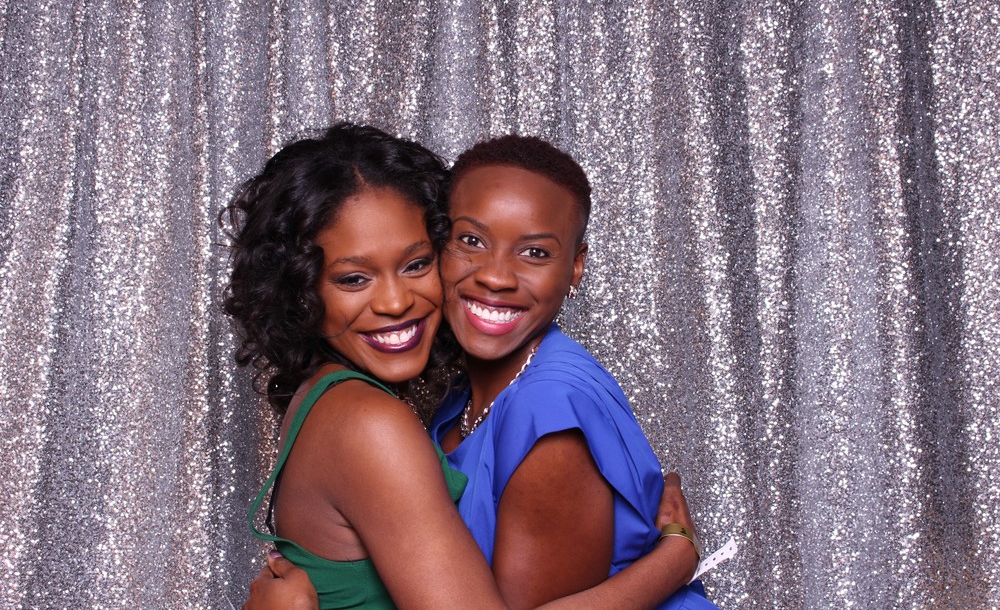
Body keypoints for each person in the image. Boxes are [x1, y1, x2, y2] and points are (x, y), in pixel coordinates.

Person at [235, 127, 718, 609]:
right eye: (354, 278)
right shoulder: (372, 421)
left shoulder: (333, 396)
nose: (395, 302)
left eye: (415, 264)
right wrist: (675, 557)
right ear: (301, 288)